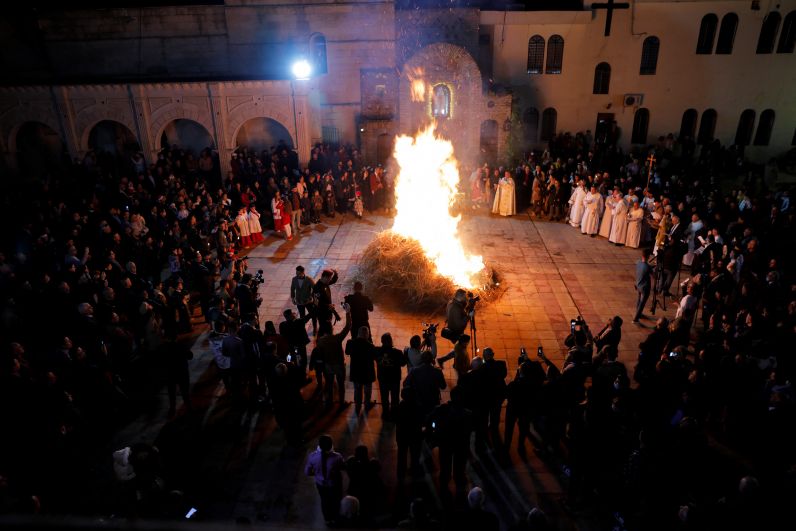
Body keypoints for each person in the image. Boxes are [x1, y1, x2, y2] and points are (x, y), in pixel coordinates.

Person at [427, 385, 473, 497]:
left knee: (445, 467)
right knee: (459, 469)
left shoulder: (441, 410)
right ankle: (460, 491)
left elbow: (428, 419)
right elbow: (470, 430)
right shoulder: (467, 414)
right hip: (461, 446)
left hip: (445, 444)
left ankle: (444, 490)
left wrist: (433, 431)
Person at [316, 301, 352, 410]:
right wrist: (348, 312)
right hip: (339, 365)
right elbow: (348, 327)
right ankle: (341, 403)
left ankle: (329, 402)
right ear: (331, 330)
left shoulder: (320, 341)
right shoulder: (337, 338)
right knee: (341, 385)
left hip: (328, 365)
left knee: (329, 384)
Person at [304, 434, 345, 526]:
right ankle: (334, 518)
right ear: (331, 446)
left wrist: (317, 473)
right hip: (334, 484)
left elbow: (307, 472)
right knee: (335, 500)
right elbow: (342, 467)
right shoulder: (337, 457)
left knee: (324, 500)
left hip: (321, 484)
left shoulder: (312, 456)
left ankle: (327, 519)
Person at [403, 350, 447, 419]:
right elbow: (443, 386)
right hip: (433, 403)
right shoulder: (438, 372)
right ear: (432, 360)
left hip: (418, 402)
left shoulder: (414, 371)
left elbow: (405, 384)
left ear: (421, 359)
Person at [345, 326, 378, 415]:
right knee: (367, 391)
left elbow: (347, 352)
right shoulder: (370, 346)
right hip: (367, 373)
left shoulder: (351, 343)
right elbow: (375, 357)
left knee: (357, 390)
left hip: (356, 372)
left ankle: (357, 407)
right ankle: (367, 405)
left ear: (358, 334)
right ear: (367, 335)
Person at [481, 347, 508, 446]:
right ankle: (494, 428)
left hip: (487, 396)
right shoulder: (501, 364)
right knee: (496, 412)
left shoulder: (482, 368)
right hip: (499, 395)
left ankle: (486, 431)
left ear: (484, 356)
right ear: (493, 355)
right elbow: (504, 375)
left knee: (486, 413)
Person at [376, 332, 406, 419]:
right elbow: (403, 363)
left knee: (384, 397)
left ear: (382, 341)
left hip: (382, 379)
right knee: (395, 398)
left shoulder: (377, 351)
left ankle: (385, 413)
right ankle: (394, 414)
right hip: (394, 379)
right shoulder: (397, 352)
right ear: (391, 341)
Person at [313, 269, 340, 336]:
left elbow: (334, 280)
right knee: (329, 331)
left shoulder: (325, 283)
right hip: (322, 314)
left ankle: (319, 340)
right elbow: (316, 303)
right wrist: (328, 306)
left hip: (328, 312)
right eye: (329, 278)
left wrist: (335, 273)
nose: (329, 280)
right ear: (324, 277)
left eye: (330, 278)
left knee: (322, 330)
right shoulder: (317, 288)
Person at [290, 265, 317, 334]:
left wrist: (312, 297)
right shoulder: (294, 279)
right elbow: (292, 289)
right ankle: (303, 330)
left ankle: (315, 328)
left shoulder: (309, 279)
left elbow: (315, 289)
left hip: (308, 301)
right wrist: (293, 298)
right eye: (296, 273)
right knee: (302, 317)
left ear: (303, 272)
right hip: (299, 302)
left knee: (313, 315)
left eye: (298, 273)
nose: (297, 275)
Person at [633, 248, 653, 323]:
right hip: (645, 287)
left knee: (639, 300)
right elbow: (654, 276)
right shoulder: (648, 267)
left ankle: (638, 313)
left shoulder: (638, 263)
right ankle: (636, 318)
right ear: (648, 256)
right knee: (642, 303)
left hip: (638, 284)